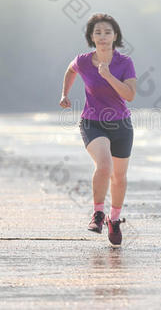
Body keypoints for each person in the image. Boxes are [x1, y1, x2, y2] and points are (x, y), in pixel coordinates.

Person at [60, 13, 137, 247]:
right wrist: (65, 93)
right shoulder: (83, 61)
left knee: (119, 177)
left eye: (107, 32)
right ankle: (98, 214)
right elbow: (70, 70)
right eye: (97, 32)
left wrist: (108, 76)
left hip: (121, 124)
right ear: (91, 37)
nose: (102, 36)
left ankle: (114, 220)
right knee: (104, 166)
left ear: (116, 36)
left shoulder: (125, 63)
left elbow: (130, 95)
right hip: (92, 122)